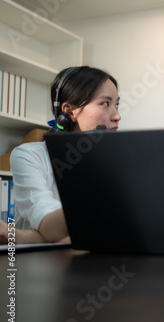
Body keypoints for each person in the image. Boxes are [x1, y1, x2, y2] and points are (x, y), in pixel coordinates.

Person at [0, 66, 121, 244]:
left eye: (117, 105)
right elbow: (50, 228)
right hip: (40, 265)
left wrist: (20, 236)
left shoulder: (117, 162)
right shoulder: (29, 155)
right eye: (105, 103)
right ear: (69, 111)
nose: (117, 116)